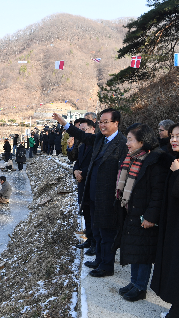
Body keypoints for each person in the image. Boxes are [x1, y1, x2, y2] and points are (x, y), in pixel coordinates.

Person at [53, 108, 128, 278]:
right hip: (93, 193)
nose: (101, 125)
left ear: (116, 123)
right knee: (98, 230)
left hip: (109, 197)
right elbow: (83, 136)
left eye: (105, 122)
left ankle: (107, 265)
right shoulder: (101, 139)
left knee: (107, 233)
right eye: (100, 122)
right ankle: (99, 260)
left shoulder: (122, 144)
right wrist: (64, 124)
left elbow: (123, 173)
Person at [113, 124, 172, 302]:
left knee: (143, 253)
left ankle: (140, 287)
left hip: (144, 214)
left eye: (130, 139)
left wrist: (150, 217)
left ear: (142, 141)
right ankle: (133, 282)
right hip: (133, 211)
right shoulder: (132, 158)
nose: (127, 143)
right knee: (135, 249)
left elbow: (158, 193)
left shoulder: (155, 161)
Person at [151, 121, 179, 317]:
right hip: (174, 225)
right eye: (172, 136)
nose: (173, 140)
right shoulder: (176, 159)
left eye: (178, 136)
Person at [73, 119, 96, 256]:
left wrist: (82, 173)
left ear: (93, 129)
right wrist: (76, 171)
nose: (82, 133)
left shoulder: (97, 145)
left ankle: (94, 243)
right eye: (80, 130)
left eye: (84, 130)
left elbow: (95, 164)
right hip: (82, 184)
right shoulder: (82, 146)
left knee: (93, 215)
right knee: (86, 213)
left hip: (91, 184)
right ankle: (89, 238)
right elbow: (77, 163)